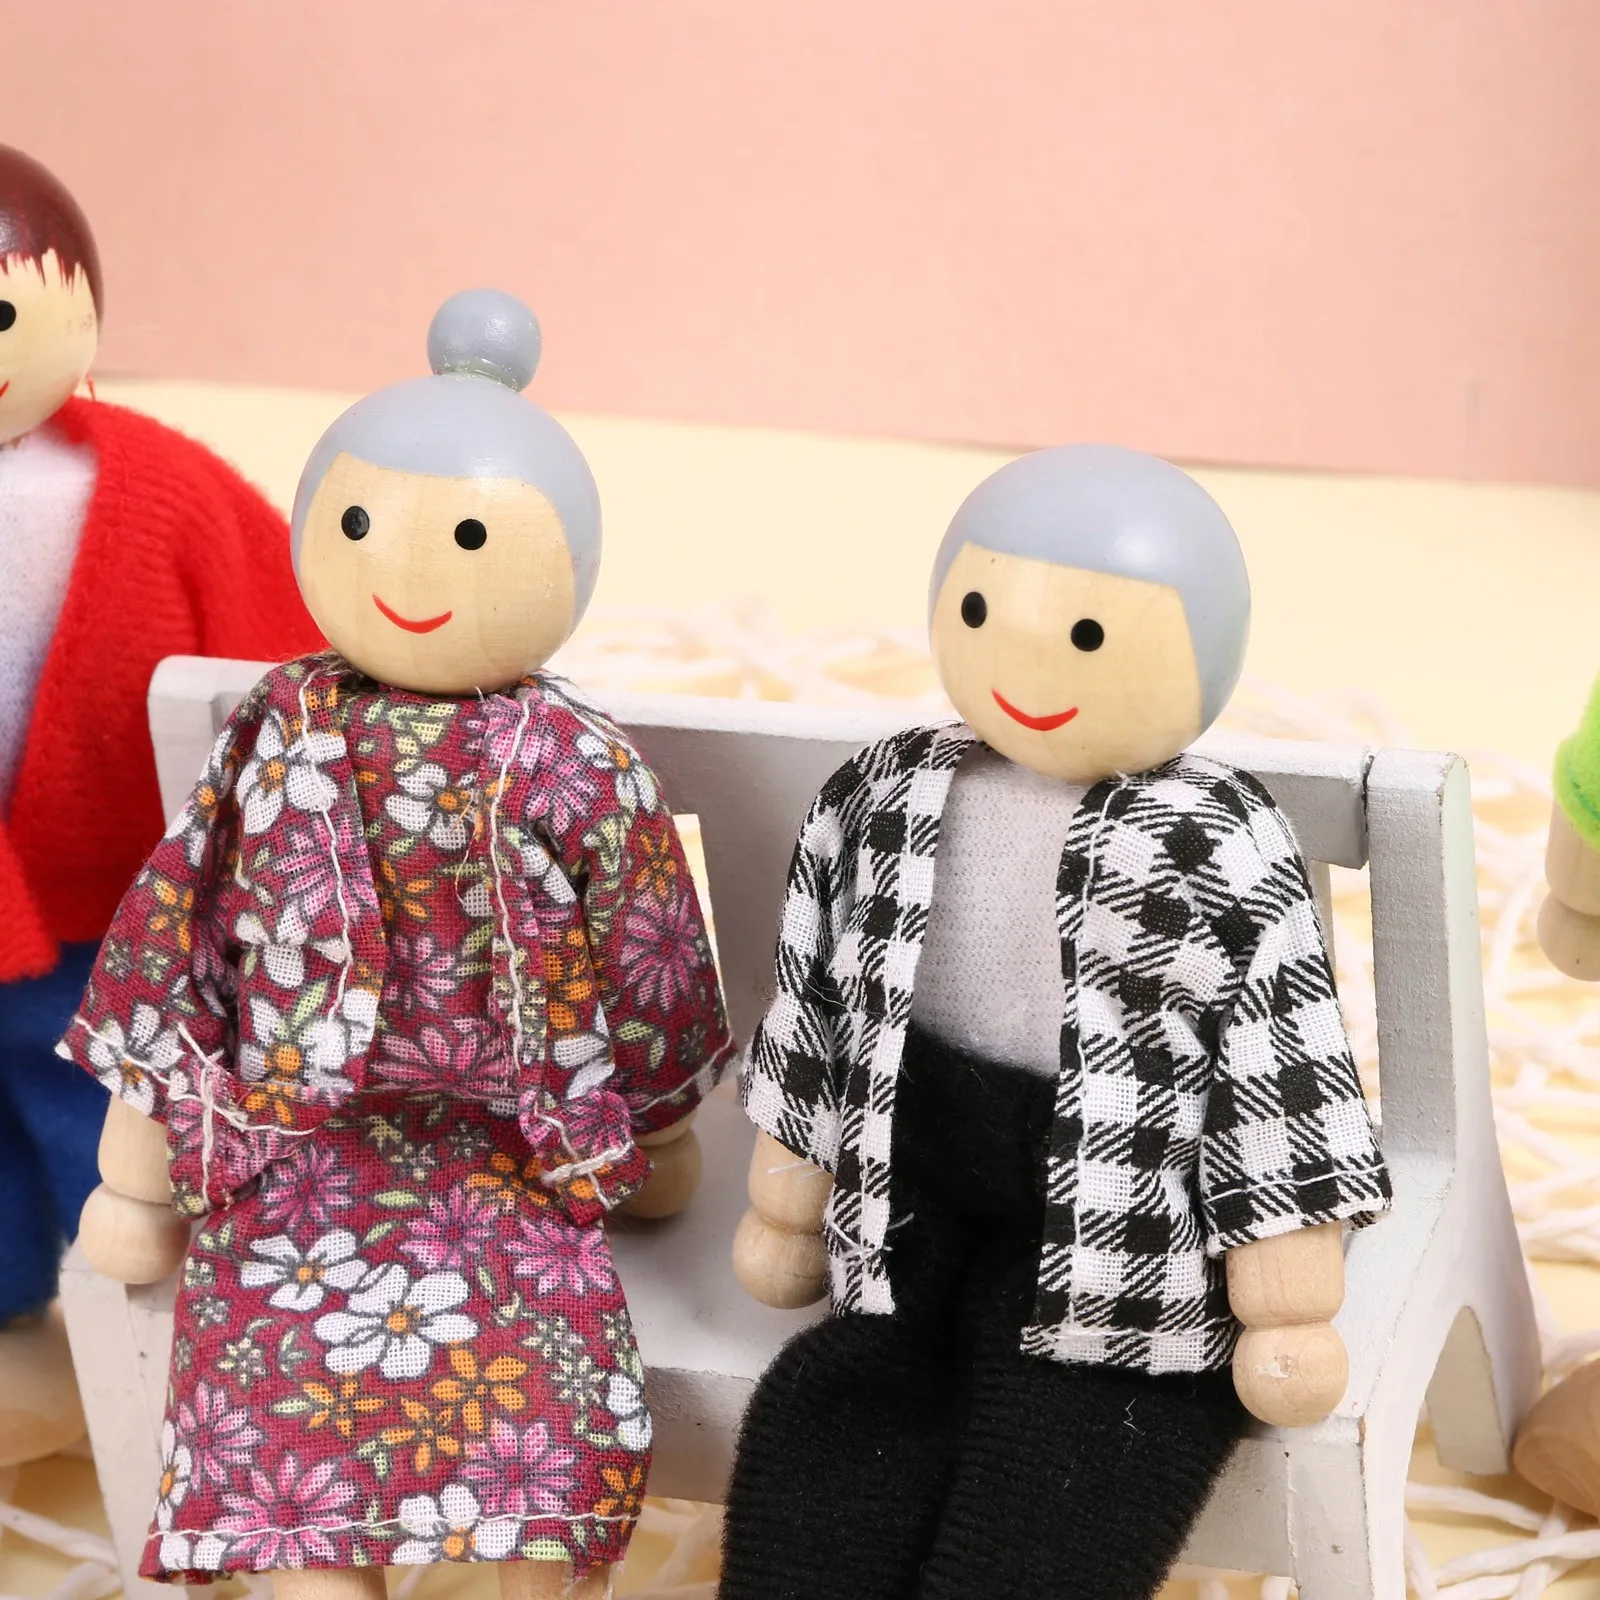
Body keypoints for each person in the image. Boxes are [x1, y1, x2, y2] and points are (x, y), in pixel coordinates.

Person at [59, 289, 733, 1598]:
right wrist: (142, 1169)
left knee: (541, 1400)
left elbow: (649, 949)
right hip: (295, 1141)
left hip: (513, 1154)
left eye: (472, 539)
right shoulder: (276, 726)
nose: (408, 572)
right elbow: (184, 923)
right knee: (278, 1392)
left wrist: (652, 1129)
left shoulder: (573, 759)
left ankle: (528, 1542)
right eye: (360, 525)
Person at [725, 444, 1393, 1600]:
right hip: (920, 1186)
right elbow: (817, 1003)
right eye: (981, 612)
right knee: (842, 1413)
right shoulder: (882, 793)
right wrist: (789, 1202)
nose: (1030, 660)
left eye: (1087, 635)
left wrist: (1286, 1302)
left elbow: (1277, 1065)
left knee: (1073, 1448)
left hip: (1121, 1218)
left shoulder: (1211, 838)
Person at [0, 142, 321, 1465]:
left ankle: (141, 1340)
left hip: (110, 902)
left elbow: (279, 638)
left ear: (81, 317)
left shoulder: (159, 490)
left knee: (102, 1124)